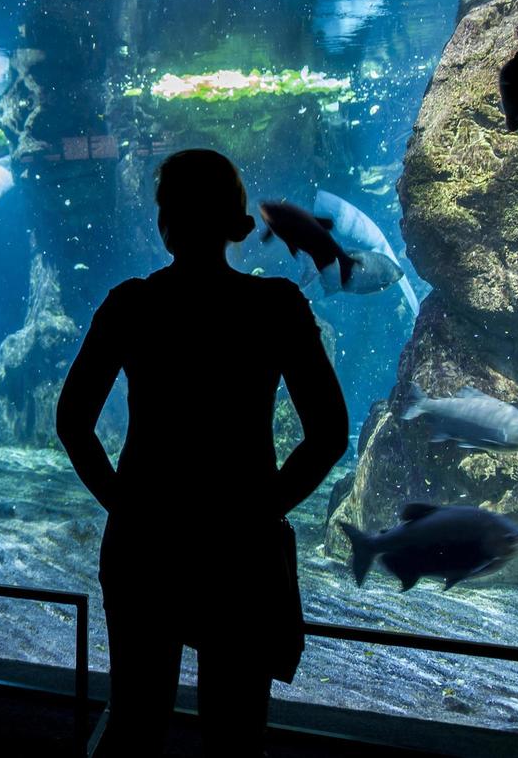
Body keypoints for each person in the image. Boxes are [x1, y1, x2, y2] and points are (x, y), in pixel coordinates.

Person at [56, 149, 347, 756]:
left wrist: (124, 504)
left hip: (146, 543)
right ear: (234, 219)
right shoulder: (275, 308)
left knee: (135, 722)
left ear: (166, 221)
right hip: (239, 548)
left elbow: (73, 422)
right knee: (236, 735)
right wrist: (264, 508)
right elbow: (330, 433)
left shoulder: (132, 304)